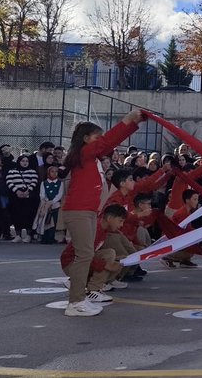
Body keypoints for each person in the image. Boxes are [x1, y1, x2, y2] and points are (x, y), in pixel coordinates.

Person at [61, 109, 145, 317]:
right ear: (86, 139)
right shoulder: (84, 153)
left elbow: (107, 143)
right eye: (96, 138)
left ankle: (81, 296)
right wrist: (127, 121)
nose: (100, 141)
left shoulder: (92, 158)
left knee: (87, 253)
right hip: (78, 211)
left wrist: (133, 124)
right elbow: (108, 142)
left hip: (87, 211)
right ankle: (76, 301)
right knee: (84, 255)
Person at [59, 204, 128, 317]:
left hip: (76, 260)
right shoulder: (95, 229)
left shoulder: (103, 229)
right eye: (120, 221)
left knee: (110, 254)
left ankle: (77, 282)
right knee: (108, 255)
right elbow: (84, 256)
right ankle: (93, 291)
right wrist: (106, 265)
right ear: (110, 218)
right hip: (71, 262)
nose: (121, 225)